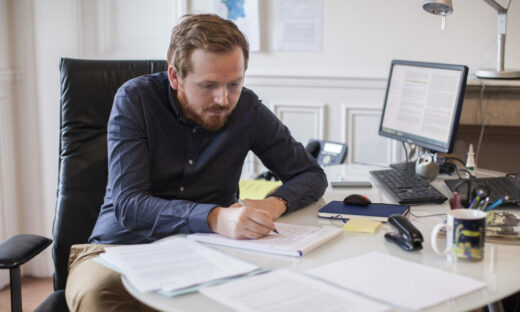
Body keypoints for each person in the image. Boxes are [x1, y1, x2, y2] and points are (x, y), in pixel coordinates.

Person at [65, 13, 327, 311]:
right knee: (96, 294)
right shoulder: (136, 100)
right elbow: (129, 205)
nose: (224, 99)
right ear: (175, 77)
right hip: (119, 248)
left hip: (210, 251)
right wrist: (214, 217)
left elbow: (311, 174)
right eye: (208, 85)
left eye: (234, 84)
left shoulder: (248, 110)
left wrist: (273, 203)